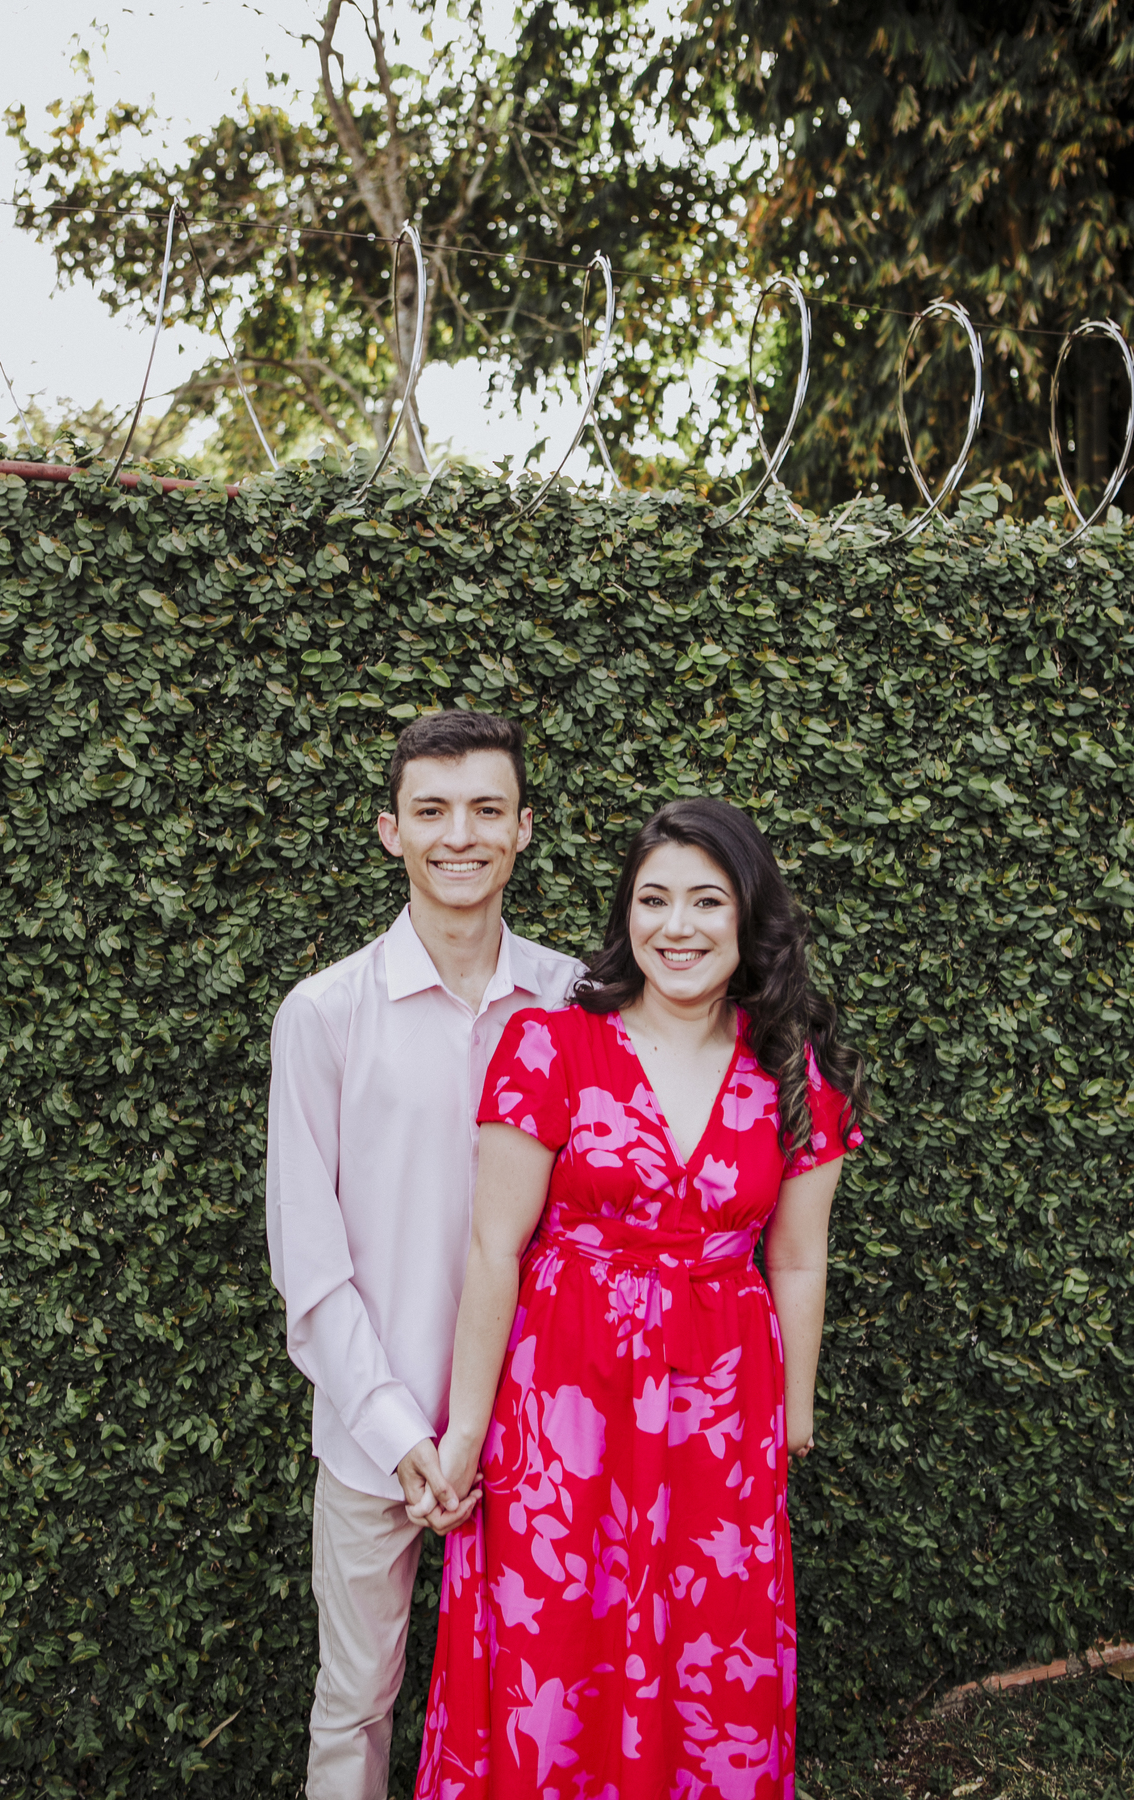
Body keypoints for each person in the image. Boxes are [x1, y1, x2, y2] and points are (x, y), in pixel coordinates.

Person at [411, 796, 868, 1800]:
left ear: (748, 916)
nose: (677, 926)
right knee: (552, 1657)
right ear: (627, 916)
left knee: (707, 1654)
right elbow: (495, 1247)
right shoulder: (550, 1046)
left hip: (720, 1418)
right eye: (653, 899)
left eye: (707, 900)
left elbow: (798, 1258)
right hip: (563, 1414)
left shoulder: (795, 1070)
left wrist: (792, 1417)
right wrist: (466, 1432)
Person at [265, 710, 583, 1800]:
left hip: (542, 1427)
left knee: (551, 1698)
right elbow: (309, 1263)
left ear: (524, 828)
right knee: (356, 1702)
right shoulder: (325, 1013)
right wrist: (402, 1429)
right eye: (432, 810)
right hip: (376, 1433)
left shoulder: (578, 1002)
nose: (461, 835)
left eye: (488, 810)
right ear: (390, 830)